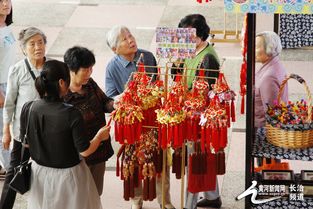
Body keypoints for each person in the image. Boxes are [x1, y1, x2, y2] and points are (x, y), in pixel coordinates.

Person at [21, 60, 110, 209]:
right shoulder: (71, 113)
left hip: (39, 174)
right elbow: (85, 150)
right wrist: (99, 136)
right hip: (68, 177)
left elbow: (26, 143)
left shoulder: (28, 108)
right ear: (62, 83)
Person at [105, 25, 175, 209]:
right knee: (133, 162)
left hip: (153, 117)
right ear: (115, 49)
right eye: (124, 39)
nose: (130, 40)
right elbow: (111, 97)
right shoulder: (112, 67)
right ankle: (137, 201)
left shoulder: (148, 56)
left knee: (159, 159)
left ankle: (165, 201)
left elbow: (158, 82)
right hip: (133, 121)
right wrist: (128, 94)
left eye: (130, 35)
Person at [173, 14, 222, 209]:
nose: (185, 40)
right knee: (201, 158)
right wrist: (176, 63)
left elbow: (205, 91)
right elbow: (177, 77)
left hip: (199, 116)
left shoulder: (208, 57)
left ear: (200, 35)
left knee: (193, 160)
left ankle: (189, 204)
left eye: (189, 36)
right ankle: (212, 196)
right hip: (187, 112)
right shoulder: (189, 52)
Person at [0, 27, 47, 209]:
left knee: (46, 173)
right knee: (14, 172)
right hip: (23, 133)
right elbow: (10, 103)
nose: (37, 47)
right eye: (32, 44)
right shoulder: (17, 70)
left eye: (40, 42)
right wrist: (6, 131)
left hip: (47, 132)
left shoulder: (52, 67)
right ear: (23, 49)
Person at [63, 46, 115, 196]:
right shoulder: (64, 97)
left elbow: (104, 102)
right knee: (78, 197)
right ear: (71, 70)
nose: (89, 73)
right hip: (78, 158)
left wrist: (114, 104)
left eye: (91, 69)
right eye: (85, 70)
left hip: (99, 152)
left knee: (95, 193)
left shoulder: (90, 84)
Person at [255, 31, 288, 128]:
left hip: (263, 131)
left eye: (256, 47)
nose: (253, 49)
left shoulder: (269, 77)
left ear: (269, 49)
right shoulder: (274, 64)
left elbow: (271, 113)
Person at [0, 0, 15, 175]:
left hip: (9, 82)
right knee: (2, 129)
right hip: (0, 85)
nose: (6, 4)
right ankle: (11, 169)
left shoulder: (5, 25)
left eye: (8, 0)